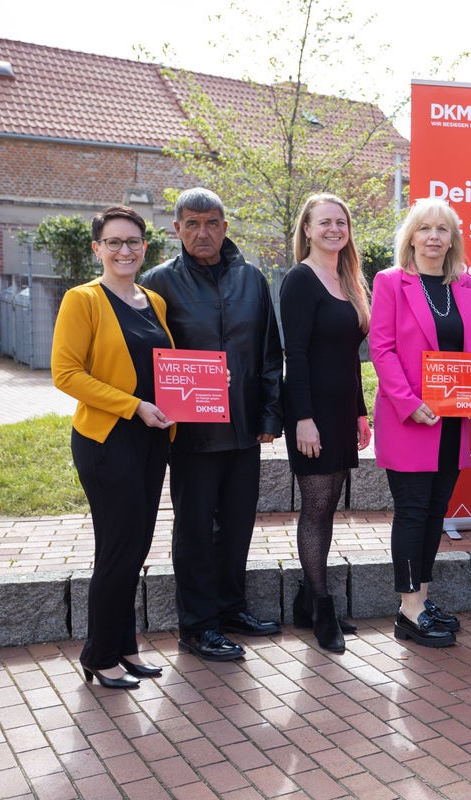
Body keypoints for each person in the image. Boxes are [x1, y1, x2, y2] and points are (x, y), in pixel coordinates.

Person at [140, 188, 284, 663]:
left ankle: (230, 608)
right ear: (176, 229)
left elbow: (268, 354)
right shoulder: (158, 283)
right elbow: (147, 359)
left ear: (225, 227)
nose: (203, 233)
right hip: (190, 433)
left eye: (212, 223)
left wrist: (268, 415)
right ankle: (197, 626)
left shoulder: (252, 280)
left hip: (243, 426)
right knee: (196, 529)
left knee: (238, 524)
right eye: (192, 224)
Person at [51, 205, 175, 689]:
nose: (125, 250)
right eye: (114, 242)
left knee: (136, 546)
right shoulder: (82, 300)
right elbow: (66, 374)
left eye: (133, 242)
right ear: (97, 248)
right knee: (120, 548)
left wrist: (206, 386)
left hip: (152, 438)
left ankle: (124, 647)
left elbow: (166, 367)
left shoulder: (154, 301)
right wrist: (133, 405)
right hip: (107, 440)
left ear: (145, 247)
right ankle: (98, 654)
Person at [370, 198, 471, 648]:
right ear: (411, 236)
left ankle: (422, 598)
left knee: (436, 513)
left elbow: (470, 353)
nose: (434, 236)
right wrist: (408, 401)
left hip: (451, 421)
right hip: (409, 419)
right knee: (413, 514)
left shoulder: (465, 287)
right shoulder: (391, 282)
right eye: (425, 228)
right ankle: (409, 610)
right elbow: (382, 348)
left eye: (443, 229)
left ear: (452, 238)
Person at [279, 193, 372, 654]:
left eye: (341, 222)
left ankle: (303, 599)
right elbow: (294, 354)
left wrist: (359, 410)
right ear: (308, 229)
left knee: (329, 503)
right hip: (311, 413)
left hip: (340, 410)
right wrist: (303, 419)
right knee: (316, 507)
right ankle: (322, 606)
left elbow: (351, 358)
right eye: (325, 222)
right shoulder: (300, 280)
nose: (334, 229)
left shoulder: (349, 279)